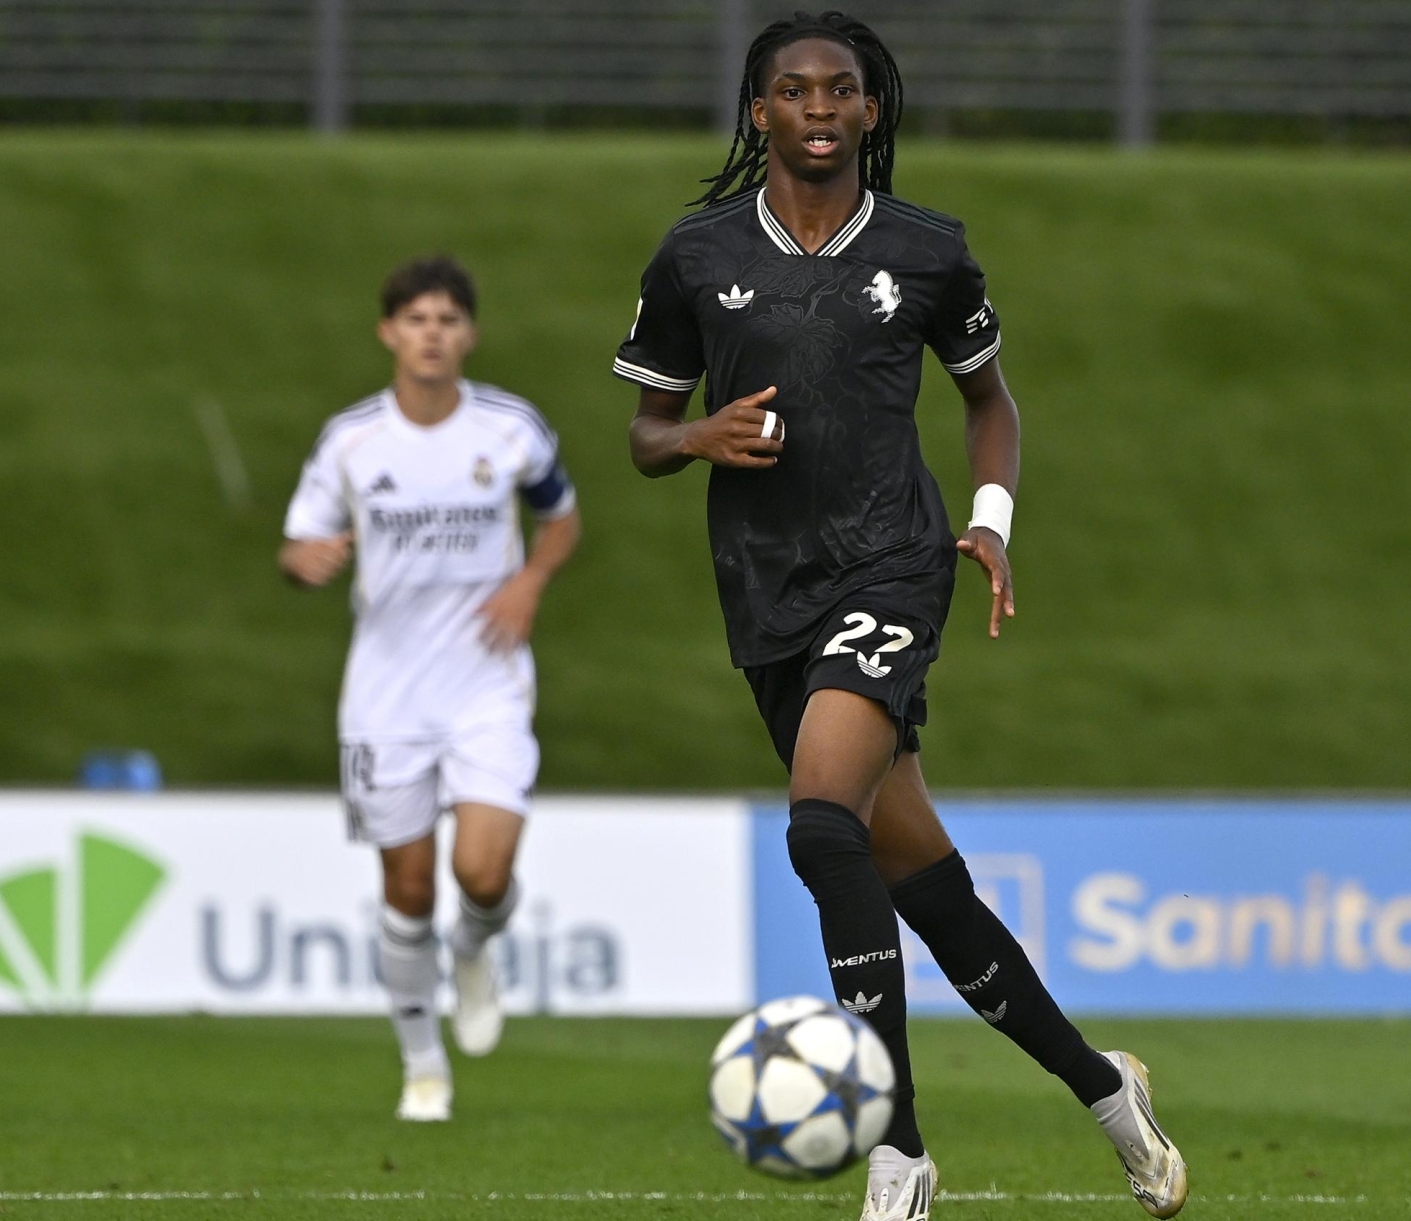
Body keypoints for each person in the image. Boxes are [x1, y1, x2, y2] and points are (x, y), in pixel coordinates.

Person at [614, 13, 1185, 1219]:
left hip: (891, 565)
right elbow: (645, 432)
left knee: (822, 825)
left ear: (872, 111)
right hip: (763, 587)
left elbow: (991, 401)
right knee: (917, 877)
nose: (819, 107)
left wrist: (992, 520)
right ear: (758, 111)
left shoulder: (927, 250)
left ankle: (898, 1147)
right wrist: (697, 434)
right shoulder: (697, 253)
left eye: (843, 89)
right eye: (794, 90)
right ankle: (1105, 1090)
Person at [281, 256, 581, 1122]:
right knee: (407, 891)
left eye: (448, 320)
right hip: (386, 696)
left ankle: (475, 945)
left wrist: (528, 582)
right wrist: (307, 561)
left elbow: (561, 518)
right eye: (416, 320)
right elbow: (298, 543)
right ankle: (423, 1067)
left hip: (487, 681)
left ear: (470, 335)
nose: (432, 335)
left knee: (482, 873)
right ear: (389, 333)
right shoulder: (351, 441)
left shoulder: (510, 428)